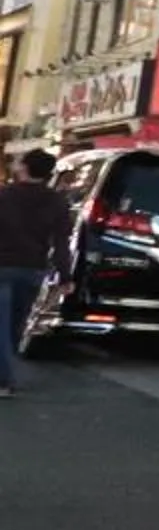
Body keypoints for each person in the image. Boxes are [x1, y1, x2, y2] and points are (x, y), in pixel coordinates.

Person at [0, 148, 71, 396]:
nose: (16, 164)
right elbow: (61, 242)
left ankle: (4, 379)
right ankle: (6, 370)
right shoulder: (57, 201)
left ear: (25, 168)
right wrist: (66, 276)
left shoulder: (5, 196)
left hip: (2, 266)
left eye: (19, 161)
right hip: (32, 269)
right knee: (15, 326)